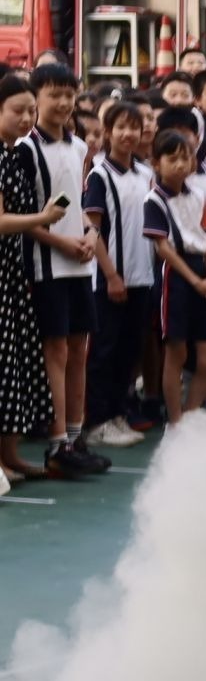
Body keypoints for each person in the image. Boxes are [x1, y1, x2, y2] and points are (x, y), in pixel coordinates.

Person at [22, 62, 111, 476]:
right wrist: (63, 242)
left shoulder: (79, 148)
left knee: (79, 349)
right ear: (35, 98)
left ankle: (74, 439)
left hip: (80, 263)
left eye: (68, 94)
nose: (62, 102)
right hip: (47, 264)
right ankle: (56, 444)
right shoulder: (25, 149)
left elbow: (77, 205)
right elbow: (24, 218)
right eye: (53, 93)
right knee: (54, 351)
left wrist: (91, 234)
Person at [0, 74, 62, 485]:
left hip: (12, 270)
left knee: (16, 365)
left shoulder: (12, 155)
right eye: (17, 111)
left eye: (30, 111)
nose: (26, 118)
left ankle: (11, 455)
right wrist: (43, 218)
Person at [81, 102, 155, 447]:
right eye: (120, 127)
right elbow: (92, 230)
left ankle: (117, 413)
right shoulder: (99, 175)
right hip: (111, 279)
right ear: (107, 132)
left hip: (143, 277)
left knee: (129, 350)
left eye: (134, 127)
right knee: (104, 351)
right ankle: (97, 421)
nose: (128, 134)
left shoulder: (145, 173)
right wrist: (111, 275)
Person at [144, 129, 206, 425]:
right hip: (175, 278)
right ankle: (175, 422)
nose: (180, 164)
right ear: (156, 163)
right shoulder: (154, 199)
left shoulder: (199, 195)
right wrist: (195, 280)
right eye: (172, 158)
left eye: (186, 157)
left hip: (202, 271)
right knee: (175, 352)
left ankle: (189, 418)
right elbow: (163, 248)